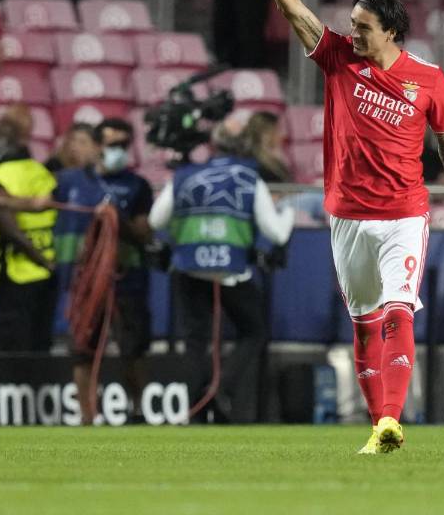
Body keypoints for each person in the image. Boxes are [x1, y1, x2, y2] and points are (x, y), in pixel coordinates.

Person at [258, 0, 444, 452]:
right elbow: (291, 6)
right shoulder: (337, 58)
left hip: (405, 213)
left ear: (391, 32)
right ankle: (376, 421)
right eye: (352, 24)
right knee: (362, 323)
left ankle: (390, 419)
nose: (352, 32)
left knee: (398, 308)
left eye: (363, 27)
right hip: (346, 216)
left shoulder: (428, 79)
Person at [149, 118, 294, 424]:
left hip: (189, 268)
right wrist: (289, 212)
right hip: (231, 269)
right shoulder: (248, 177)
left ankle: (197, 409)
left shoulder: (184, 175)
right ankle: (222, 389)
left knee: (195, 341)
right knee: (253, 331)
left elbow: (155, 220)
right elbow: (277, 233)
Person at [60, 118, 155, 425]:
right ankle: (88, 419)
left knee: (132, 350)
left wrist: (118, 219)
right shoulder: (69, 182)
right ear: (98, 146)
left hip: (127, 278)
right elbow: (38, 204)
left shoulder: (137, 186)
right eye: (114, 145)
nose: (120, 151)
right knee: (83, 350)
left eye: (125, 145)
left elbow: (144, 233)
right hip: (86, 282)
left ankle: (138, 409)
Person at [0, 108, 59, 353]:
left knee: (16, 345)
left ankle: (16, 390)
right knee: (41, 340)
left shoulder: (1, 176)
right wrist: (49, 264)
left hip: (17, 272)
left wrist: (41, 260)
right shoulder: (41, 171)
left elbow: (10, 231)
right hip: (47, 274)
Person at [241, 110, 290, 183]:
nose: (282, 135)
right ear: (267, 133)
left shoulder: (274, 162)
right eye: (277, 130)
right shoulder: (254, 165)